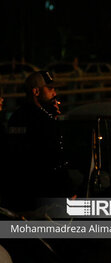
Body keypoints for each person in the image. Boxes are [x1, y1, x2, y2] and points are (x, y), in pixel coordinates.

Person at [5, 71, 70, 209]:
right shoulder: (44, 120)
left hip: (18, 194)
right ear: (36, 91)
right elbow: (54, 159)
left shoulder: (16, 117)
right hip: (44, 196)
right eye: (50, 88)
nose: (54, 93)